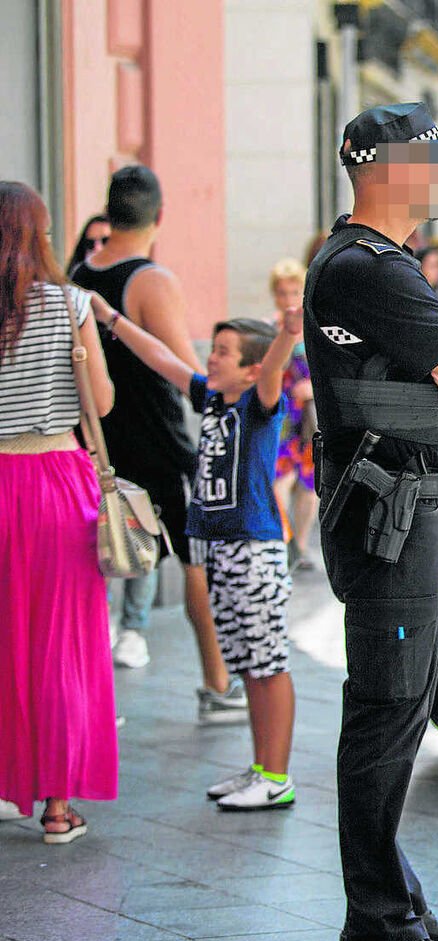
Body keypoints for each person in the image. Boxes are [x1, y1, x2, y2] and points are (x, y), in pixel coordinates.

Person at [309, 102, 438, 941]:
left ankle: (400, 900)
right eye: (435, 159)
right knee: (386, 715)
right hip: (389, 521)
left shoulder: (378, 267)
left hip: (404, 514)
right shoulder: (367, 269)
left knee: (405, 707)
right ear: (388, 168)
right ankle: (377, 930)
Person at [93, 303, 304, 811]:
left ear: (250, 370)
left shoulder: (258, 405)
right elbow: (162, 358)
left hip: (255, 551)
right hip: (224, 551)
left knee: (267, 664)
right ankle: (261, 768)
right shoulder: (211, 399)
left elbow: (273, 366)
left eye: (224, 353)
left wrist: (288, 334)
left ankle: (276, 776)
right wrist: (111, 320)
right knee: (247, 665)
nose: (212, 359)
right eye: (215, 348)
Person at [71, 166, 239, 719]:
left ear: (109, 211)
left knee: (96, 568)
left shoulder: (78, 275)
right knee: (196, 565)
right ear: (159, 218)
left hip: (96, 446)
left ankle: (89, 694)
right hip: (160, 447)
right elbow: (186, 374)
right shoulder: (150, 280)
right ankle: (218, 686)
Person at [0, 181, 119, 843]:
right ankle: (55, 805)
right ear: (40, 233)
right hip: (54, 482)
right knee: (60, 646)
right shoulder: (69, 304)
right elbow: (97, 402)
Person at [268, 259, 319, 568]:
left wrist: (312, 388)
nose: (288, 298)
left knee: (308, 489)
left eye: (293, 291)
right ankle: (284, 542)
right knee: (278, 482)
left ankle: (298, 548)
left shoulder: (315, 328)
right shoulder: (268, 328)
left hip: (308, 420)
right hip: (281, 418)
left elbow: (331, 372)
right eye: (282, 292)